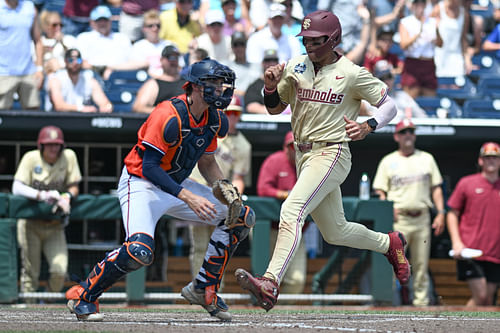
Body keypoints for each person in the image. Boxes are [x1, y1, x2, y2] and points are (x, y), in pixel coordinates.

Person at [234, 10, 410, 311]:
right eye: (306, 40)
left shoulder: (352, 72)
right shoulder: (295, 66)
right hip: (304, 153)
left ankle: (271, 281)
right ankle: (389, 244)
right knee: (335, 231)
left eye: (316, 40)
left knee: (292, 208)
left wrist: (369, 125)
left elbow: (389, 105)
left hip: (332, 151)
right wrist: (270, 87)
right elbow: (276, 109)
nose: (309, 45)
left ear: (333, 40)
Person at [65, 58, 255, 322]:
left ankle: (204, 288)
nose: (221, 90)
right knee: (139, 250)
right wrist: (187, 196)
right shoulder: (167, 114)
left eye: (222, 84)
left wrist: (223, 187)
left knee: (240, 217)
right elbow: (149, 166)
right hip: (141, 182)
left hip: (175, 183)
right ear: (196, 87)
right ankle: (84, 295)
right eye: (213, 83)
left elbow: (208, 161)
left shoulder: (216, 119)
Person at [372, 119, 445, 306]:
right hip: (399, 220)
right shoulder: (388, 161)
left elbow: (436, 188)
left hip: (421, 218)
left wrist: (441, 212)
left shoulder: (426, 158)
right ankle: (389, 303)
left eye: (411, 131)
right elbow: (380, 190)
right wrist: (387, 207)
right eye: (403, 132)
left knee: (420, 265)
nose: (407, 135)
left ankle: (421, 304)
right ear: (396, 136)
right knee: (394, 263)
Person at [187, 95, 252, 281]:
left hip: (219, 197)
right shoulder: (209, 131)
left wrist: (234, 198)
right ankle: (197, 285)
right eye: (228, 112)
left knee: (219, 245)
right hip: (196, 191)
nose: (231, 117)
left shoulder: (244, 145)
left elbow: (239, 178)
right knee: (199, 245)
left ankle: (213, 288)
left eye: (235, 114)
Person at [12, 125, 81, 296]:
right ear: (41, 145)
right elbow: (16, 187)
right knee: (30, 274)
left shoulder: (69, 156)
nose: (53, 148)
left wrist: (66, 197)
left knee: (59, 270)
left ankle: (45, 305)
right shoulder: (31, 158)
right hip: (30, 224)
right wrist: (41, 195)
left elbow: (74, 186)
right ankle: (28, 315)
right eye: (49, 144)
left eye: (56, 144)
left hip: (54, 225)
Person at [446, 141, 500, 306]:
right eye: (487, 157)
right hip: (470, 250)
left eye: (494, 158)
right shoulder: (467, 183)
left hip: (496, 253)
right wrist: (457, 242)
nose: (491, 161)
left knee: (488, 300)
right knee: (482, 296)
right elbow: (452, 213)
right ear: (480, 161)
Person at [257, 130, 308, 294]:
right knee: (265, 277)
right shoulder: (275, 161)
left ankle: (285, 313)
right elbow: (263, 189)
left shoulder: (309, 164)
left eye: (298, 146)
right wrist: (284, 194)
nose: (294, 149)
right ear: (285, 147)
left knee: (296, 280)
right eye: (291, 146)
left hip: (295, 230)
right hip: (269, 230)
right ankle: (268, 310)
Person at [104, 9, 176, 79]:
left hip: (170, 81)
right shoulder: (139, 47)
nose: (155, 28)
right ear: (143, 28)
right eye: (150, 26)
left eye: (158, 25)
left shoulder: (169, 45)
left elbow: (179, 67)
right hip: (147, 82)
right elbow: (136, 69)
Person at [0, 0, 43, 110]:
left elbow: (38, 41)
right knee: (2, 116)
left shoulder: (30, 8)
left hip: (28, 72)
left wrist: (39, 69)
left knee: (33, 113)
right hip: (3, 72)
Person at [45, 48, 113, 112]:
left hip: (81, 120)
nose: (75, 63)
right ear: (65, 61)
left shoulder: (89, 79)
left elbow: (105, 103)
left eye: (78, 60)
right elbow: (59, 106)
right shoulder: (56, 79)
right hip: (58, 119)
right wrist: (81, 108)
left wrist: (107, 107)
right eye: (71, 60)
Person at [360, 60, 428, 120]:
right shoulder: (367, 99)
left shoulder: (403, 96)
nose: (386, 81)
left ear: (393, 78)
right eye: (382, 78)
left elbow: (422, 117)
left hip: (401, 132)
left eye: (389, 77)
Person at [75, 5, 132, 76]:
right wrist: (101, 70)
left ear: (110, 20)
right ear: (91, 22)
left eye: (105, 20)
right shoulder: (83, 38)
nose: (102, 23)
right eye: (98, 20)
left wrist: (111, 69)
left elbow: (132, 61)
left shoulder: (122, 38)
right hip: (92, 76)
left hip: (119, 76)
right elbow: (79, 61)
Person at [399, 0, 438, 99]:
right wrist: (418, 33)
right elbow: (403, 45)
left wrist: (438, 31)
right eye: (417, 4)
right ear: (413, 6)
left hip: (428, 63)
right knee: (410, 100)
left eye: (422, 4)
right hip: (412, 63)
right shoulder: (406, 22)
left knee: (430, 99)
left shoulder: (432, 22)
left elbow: (440, 43)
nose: (420, 7)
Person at [132, 45, 184, 113]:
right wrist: (165, 112)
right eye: (170, 58)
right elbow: (138, 107)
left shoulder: (187, 82)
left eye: (176, 58)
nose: (173, 61)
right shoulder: (153, 84)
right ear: (162, 60)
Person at [431, 0, 473, 77]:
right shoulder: (437, 9)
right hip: (439, 57)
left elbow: (463, 39)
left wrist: (467, 60)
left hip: (457, 58)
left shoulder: (464, 14)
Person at [222, 31, 260, 98]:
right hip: (233, 102)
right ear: (232, 47)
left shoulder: (257, 67)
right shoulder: (226, 67)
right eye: (236, 45)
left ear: (246, 46)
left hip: (252, 102)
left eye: (242, 44)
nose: (239, 48)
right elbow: (223, 88)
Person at [39, 10, 77, 75]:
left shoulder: (69, 39)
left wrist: (62, 42)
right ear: (45, 26)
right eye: (54, 25)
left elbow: (74, 59)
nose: (58, 28)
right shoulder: (39, 42)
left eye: (61, 25)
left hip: (65, 73)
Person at [244, 49, 280, 114]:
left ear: (278, 63)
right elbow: (251, 106)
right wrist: (276, 111)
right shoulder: (255, 86)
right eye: (267, 61)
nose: (271, 64)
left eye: (274, 60)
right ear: (262, 63)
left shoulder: (286, 83)